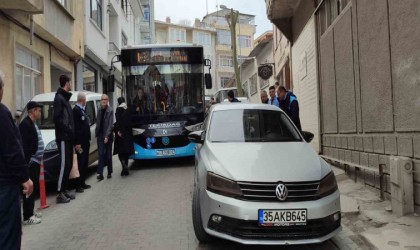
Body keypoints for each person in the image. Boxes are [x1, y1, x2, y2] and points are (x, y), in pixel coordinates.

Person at [0, 70, 33, 249]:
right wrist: (24, 178)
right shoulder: (2, 114)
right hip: (4, 187)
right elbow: (12, 151)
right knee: (8, 235)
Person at [19, 101, 44, 225]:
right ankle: (27, 216)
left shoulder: (32, 123)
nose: (40, 112)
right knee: (29, 189)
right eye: (39, 110)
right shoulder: (25, 125)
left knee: (33, 188)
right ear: (33, 111)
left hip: (35, 161)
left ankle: (31, 211)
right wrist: (28, 161)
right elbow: (24, 146)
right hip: (31, 162)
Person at [53, 75, 75, 204]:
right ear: (67, 83)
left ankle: (65, 189)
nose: (71, 84)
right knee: (64, 165)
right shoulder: (59, 98)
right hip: (63, 137)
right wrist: (67, 129)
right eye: (70, 82)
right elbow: (58, 118)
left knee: (69, 164)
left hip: (68, 137)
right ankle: (59, 193)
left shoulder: (64, 99)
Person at [72, 92, 91, 193]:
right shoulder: (76, 111)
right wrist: (77, 142)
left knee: (84, 163)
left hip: (85, 141)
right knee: (80, 163)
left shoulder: (81, 110)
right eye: (85, 100)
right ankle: (78, 185)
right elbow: (76, 128)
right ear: (82, 100)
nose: (86, 102)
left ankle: (83, 182)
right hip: (80, 143)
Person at [113, 97, 134, 176]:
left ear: (118, 102)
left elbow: (118, 121)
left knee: (120, 152)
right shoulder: (128, 109)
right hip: (128, 133)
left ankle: (123, 165)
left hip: (120, 133)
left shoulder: (118, 110)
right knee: (126, 152)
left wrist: (118, 131)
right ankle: (125, 168)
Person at [95, 94, 114, 180]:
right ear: (101, 100)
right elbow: (98, 122)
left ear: (107, 101)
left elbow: (110, 125)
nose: (104, 101)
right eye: (102, 99)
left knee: (108, 155)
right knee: (101, 154)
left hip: (108, 136)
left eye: (105, 100)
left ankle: (109, 172)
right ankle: (100, 174)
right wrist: (96, 133)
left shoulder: (110, 110)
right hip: (100, 135)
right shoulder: (99, 109)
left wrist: (107, 136)